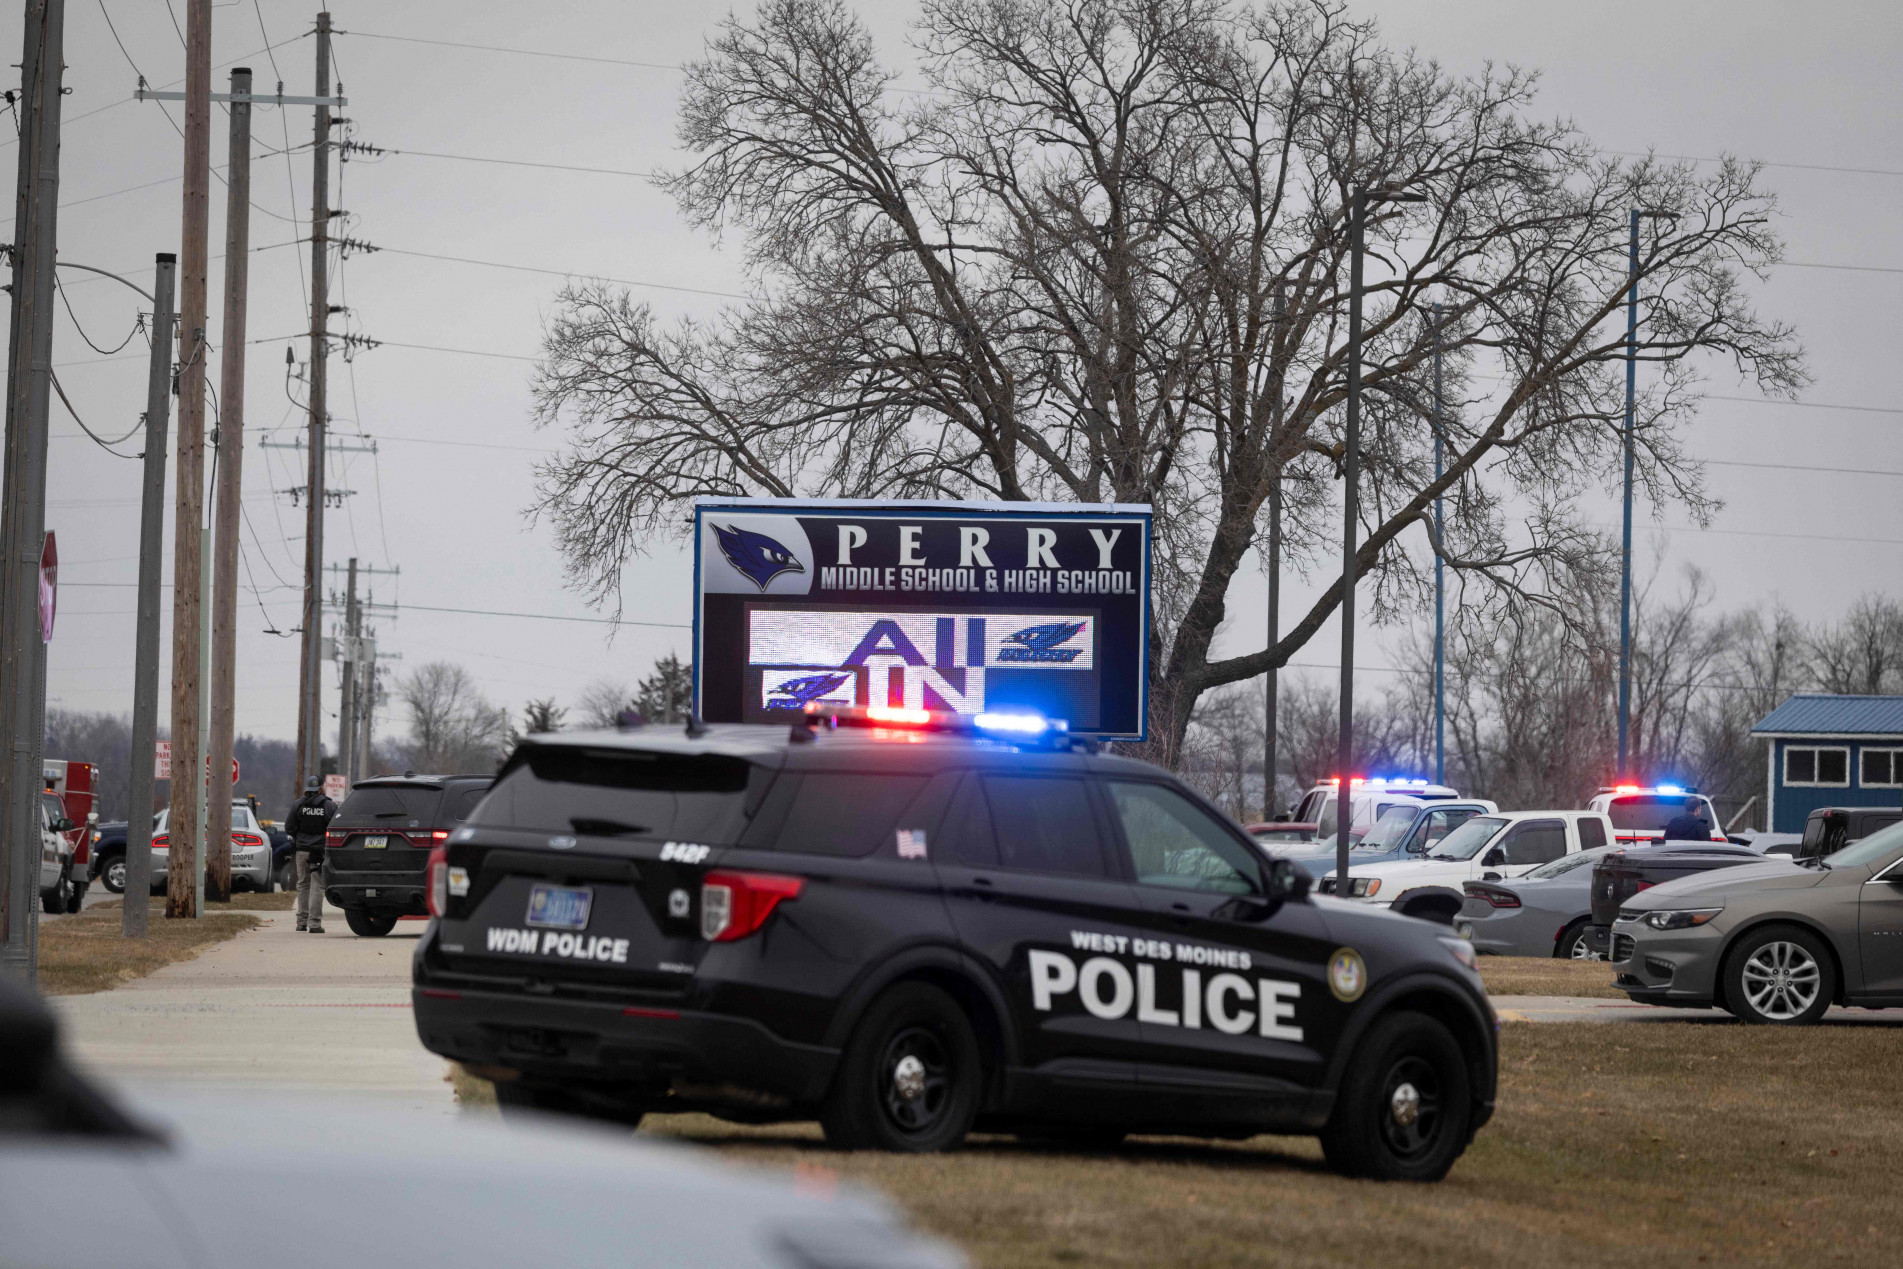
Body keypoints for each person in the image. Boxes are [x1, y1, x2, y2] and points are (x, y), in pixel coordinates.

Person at [288, 776, 338, 934]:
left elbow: (289, 827)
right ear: (321, 789)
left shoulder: (298, 805)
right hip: (319, 851)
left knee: (303, 884)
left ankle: (301, 922)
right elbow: (335, 827)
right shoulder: (329, 805)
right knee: (317, 885)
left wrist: (300, 837)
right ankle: (315, 924)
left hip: (302, 850)